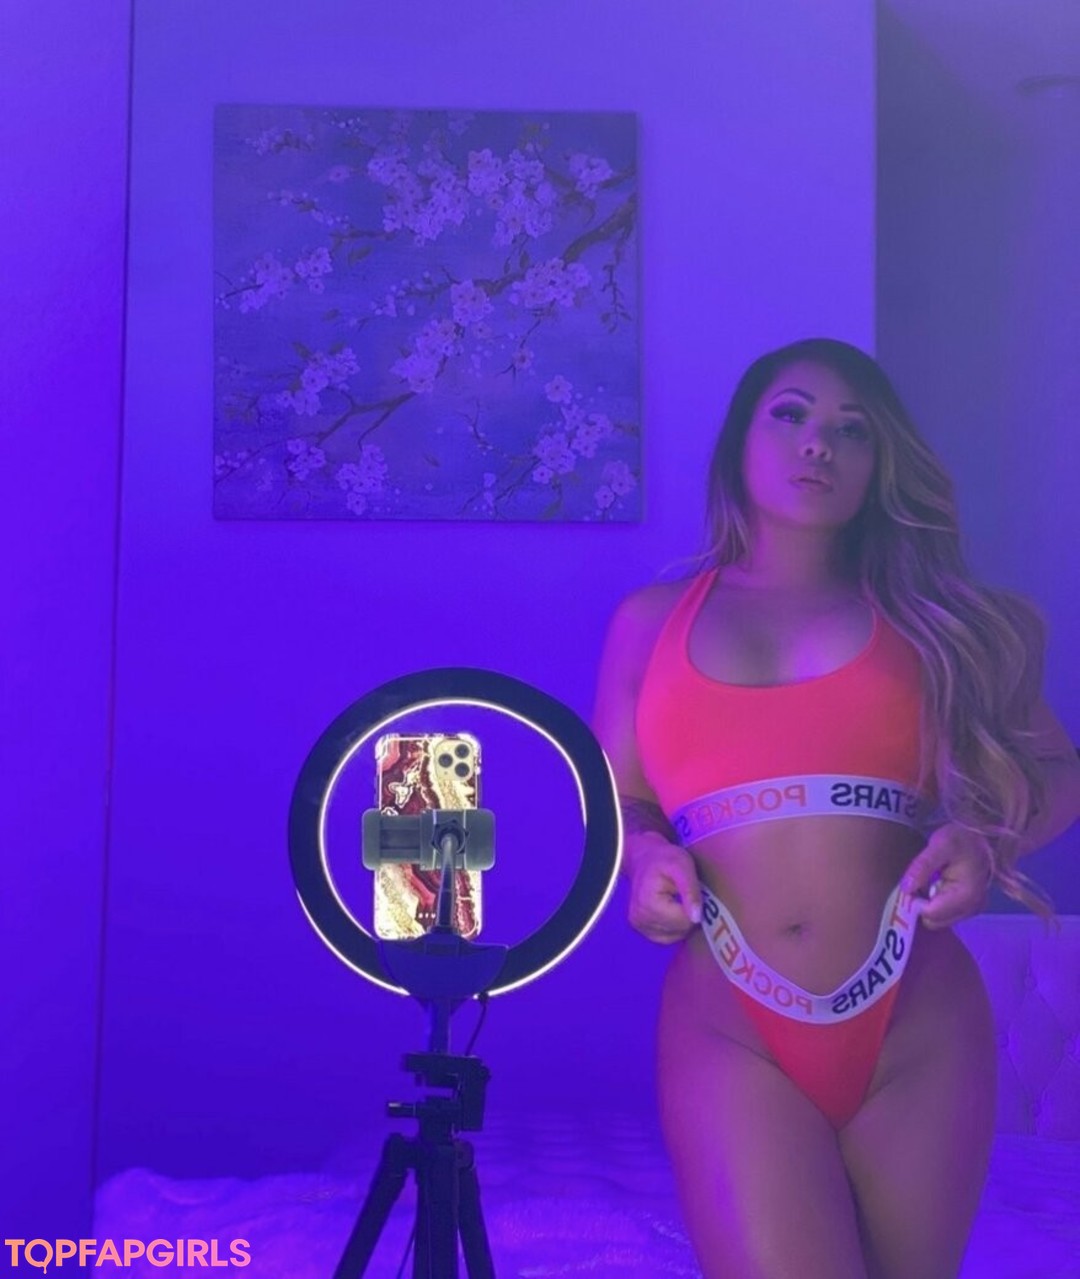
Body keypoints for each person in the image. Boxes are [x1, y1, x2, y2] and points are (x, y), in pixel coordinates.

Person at [592, 338, 1080, 1279]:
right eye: (792, 414)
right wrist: (644, 856)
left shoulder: (944, 620)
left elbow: (1062, 770)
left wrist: (988, 842)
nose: (820, 442)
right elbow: (619, 797)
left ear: (879, 462)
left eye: (853, 430)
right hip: (731, 1024)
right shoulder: (650, 622)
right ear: (739, 439)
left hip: (919, 1024)